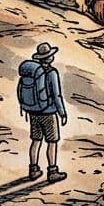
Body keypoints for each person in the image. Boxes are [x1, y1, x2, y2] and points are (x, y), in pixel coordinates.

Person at [18, 42, 68, 182]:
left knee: (36, 140)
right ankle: (52, 172)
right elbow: (57, 95)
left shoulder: (32, 74)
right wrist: (62, 112)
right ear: (50, 57)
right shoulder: (52, 72)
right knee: (52, 142)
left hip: (33, 112)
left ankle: (33, 170)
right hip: (49, 112)